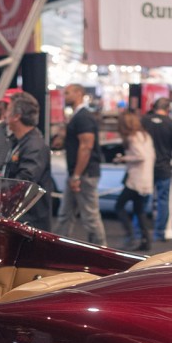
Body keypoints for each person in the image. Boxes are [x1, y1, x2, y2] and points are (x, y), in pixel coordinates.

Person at [54, 83, 106, 246]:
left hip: (84, 174)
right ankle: (57, 249)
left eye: (68, 93)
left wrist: (77, 175)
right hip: (77, 173)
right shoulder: (78, 116)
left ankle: (103, 252)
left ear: (78, 93)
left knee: (90, 217)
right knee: (65, 215)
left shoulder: (83, 116)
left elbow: (86, 146)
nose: (65, 96)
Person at [1, 92, 54, 231]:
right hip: (21, 217)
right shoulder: (21, 141)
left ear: (17, 116)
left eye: (8, 109)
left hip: (31, 222)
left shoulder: (34, 145)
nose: (5, 114)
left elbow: (24, 183)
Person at [141, 98, 172, 241]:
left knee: (141, 199)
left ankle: (140, 232)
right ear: (168, 108)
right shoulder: (170, 123)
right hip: (164, 166)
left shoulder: (144, 121)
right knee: (163, 200)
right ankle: (159, 233)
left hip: (146, 166)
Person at [112, 110, 155, 251]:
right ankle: (145, 240)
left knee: (119, 206)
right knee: (139, 211)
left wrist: (123, 159)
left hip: (136, 179)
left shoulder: (132, 138)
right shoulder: (145, 135)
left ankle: (131, 235)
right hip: (146, 178)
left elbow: (140, 156)